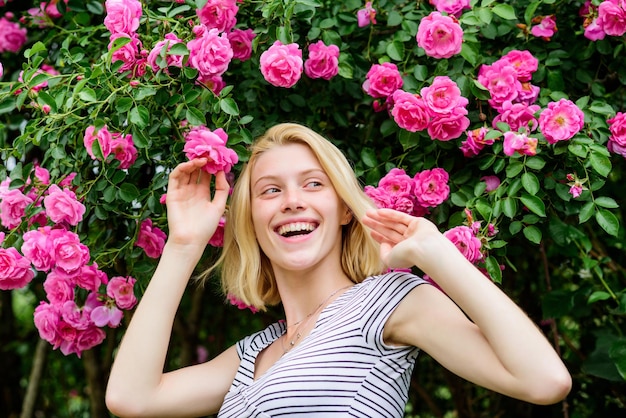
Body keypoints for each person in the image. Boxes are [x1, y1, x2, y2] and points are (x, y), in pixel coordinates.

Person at [105, 122, 572, 417]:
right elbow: (131, 398)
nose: (292, 201)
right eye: (269, 191)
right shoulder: (253, 355)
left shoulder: (389, 302)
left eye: (313, 184)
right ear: (251, 219)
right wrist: (184, 244)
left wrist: (437, 254)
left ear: (345, 209)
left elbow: (544, 382)